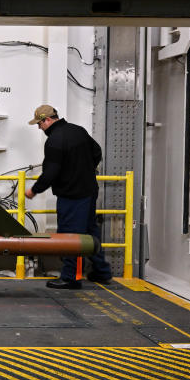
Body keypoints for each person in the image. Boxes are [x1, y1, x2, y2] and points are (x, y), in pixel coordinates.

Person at [24, 104, 111, 289]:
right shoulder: (78, 131)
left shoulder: (54, 140)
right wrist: (85, 170)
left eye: (39, 124)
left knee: (71, 236)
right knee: (90, 231)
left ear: (46, 120)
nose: (39, 128)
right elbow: (97, 152)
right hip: (89, 191)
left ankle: (71, 277)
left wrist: (34, 190)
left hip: (72, 195)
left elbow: (51, 172)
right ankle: (102, 271)